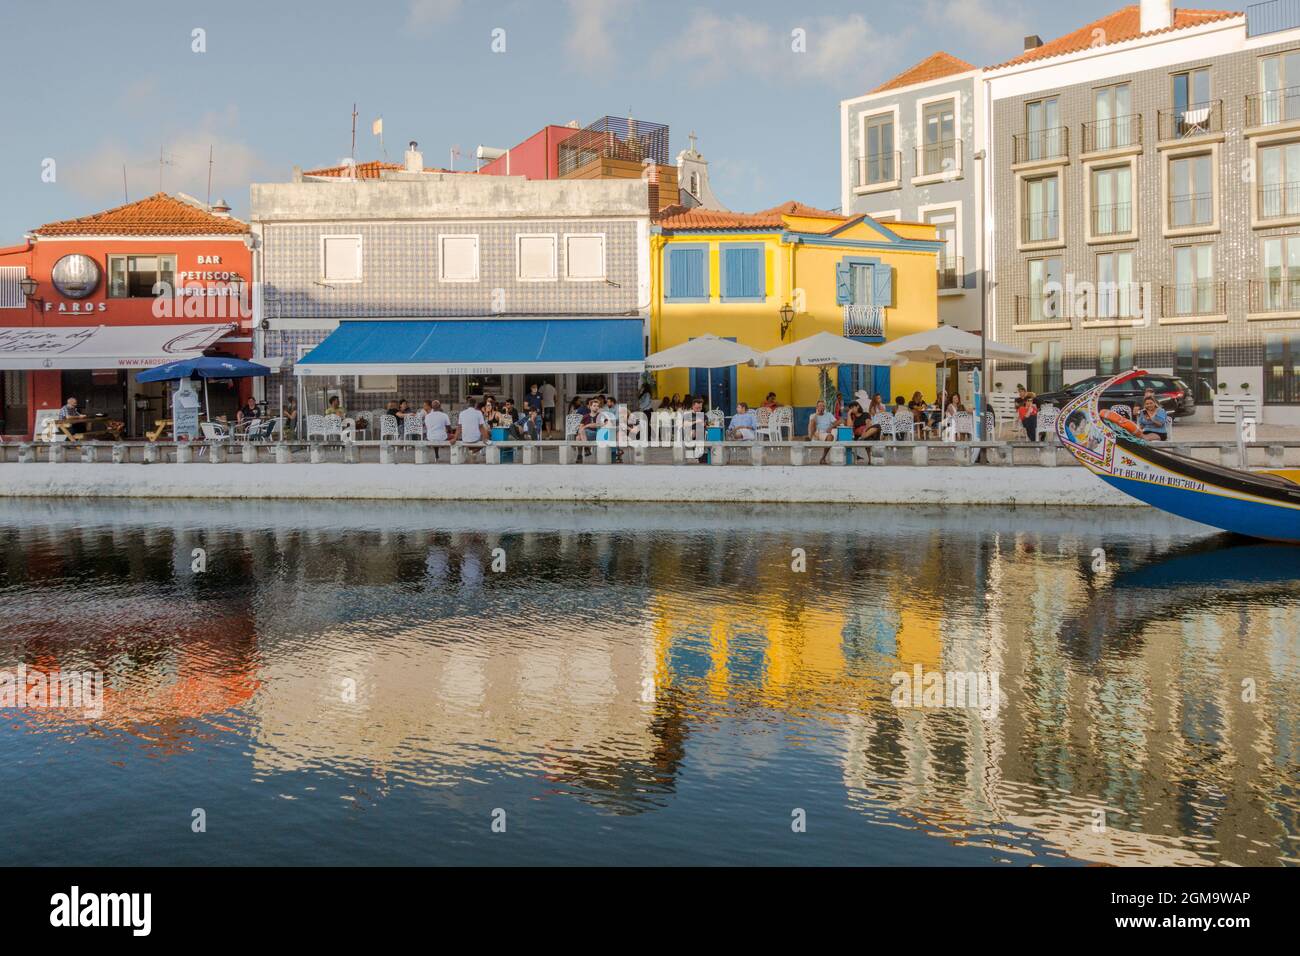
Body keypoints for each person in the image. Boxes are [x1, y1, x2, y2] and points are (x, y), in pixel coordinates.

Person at [808, 399, 836, 464]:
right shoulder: (813, 415)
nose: (821, 407)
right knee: (812, 421)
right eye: (820, 406)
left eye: (823, 406)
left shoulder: (829, 414)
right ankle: (809, 438)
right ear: (817, 407)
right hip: (815, 433)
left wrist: (831, 427)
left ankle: (823, 458)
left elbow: (837, 422)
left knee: (830, 437)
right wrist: (817, 414)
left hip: (824, 434)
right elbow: (811, 425)